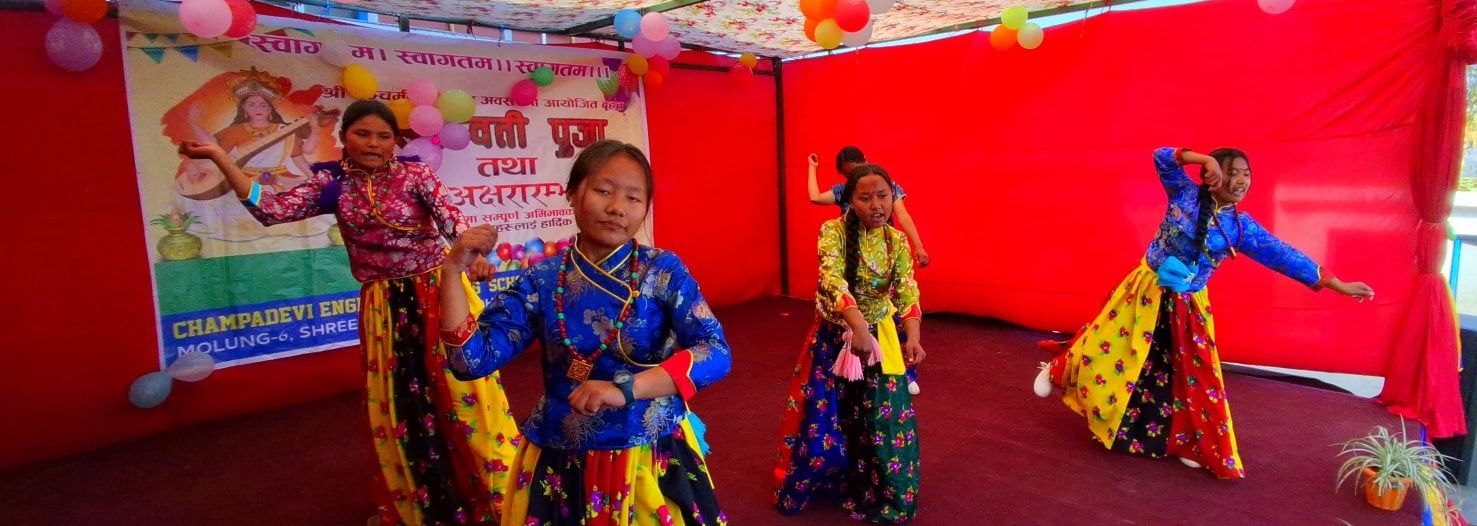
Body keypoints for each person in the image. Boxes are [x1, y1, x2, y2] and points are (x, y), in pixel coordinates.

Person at [179, 99, 520, 525]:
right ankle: (421, 500)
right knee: (401, 404)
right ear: (344, 138)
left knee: (463, 392)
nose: (373, 144)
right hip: (384, 311)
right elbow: (271, 210)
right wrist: (219, 157)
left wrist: (473, 254)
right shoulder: (334, 185)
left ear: (395, 141)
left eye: (383, 136)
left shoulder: (417, 175)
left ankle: (498, 490)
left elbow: (454, 223)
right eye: (363, 134)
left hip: (439, 296)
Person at [1033, 147, 1375, 479]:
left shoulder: (1242, 228)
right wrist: (1203, 158)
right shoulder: (1184, 194)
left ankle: (1187, 440)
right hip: (1146, 290)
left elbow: (1285, 256)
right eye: (1232, 172)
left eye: (1246, 174)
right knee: (1109, 343)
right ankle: (1060, 371)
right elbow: (1162, 157)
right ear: (1213, 175)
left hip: (1187, 305)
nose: (1240, 181)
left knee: (1186, 373)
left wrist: (1337, 284)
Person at [438, 139, 732, 525]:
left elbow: (716, 352)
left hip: (645, 450)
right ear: (572, 194)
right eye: (603, 191)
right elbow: (468, 360)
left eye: (633, 198)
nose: (617, 208)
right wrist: (451, 273)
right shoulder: (542, 279)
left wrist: (626, 389)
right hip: (562, 454)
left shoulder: (662, 270)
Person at [774, 163, 925, 523]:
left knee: (886, 417)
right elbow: (832, 281)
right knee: (829, 415)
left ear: (893, 197)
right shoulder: (832, 232)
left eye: (883, 196)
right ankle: (840, 481)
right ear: (849, 201)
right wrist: (857, 328)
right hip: (834, 336)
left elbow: (907, 290)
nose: (877, 205)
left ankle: (888, 496)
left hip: (880, 337)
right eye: (866, 197)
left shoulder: (897, 240)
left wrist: (914, 339)